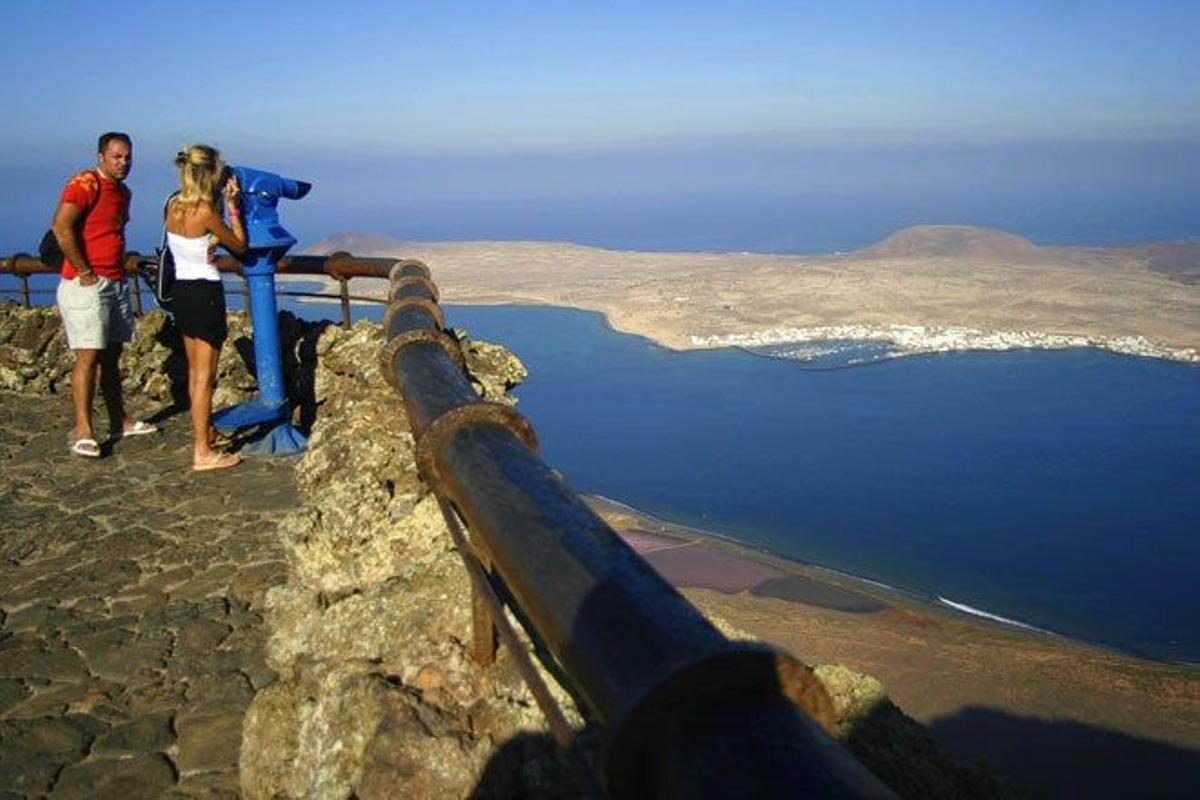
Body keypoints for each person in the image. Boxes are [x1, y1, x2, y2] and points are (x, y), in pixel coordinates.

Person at [53, 131, 158, 457]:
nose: (123, 162)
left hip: (115, 281)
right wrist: (84, 272)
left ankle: (119, 420)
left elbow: (111, 231)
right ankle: (84, 430)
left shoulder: (123, 192)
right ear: (101, 156)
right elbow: (61, 226)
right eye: (116, 156)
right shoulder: (86, 184)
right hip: (88, 284)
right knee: (88, 355)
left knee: (111, 356)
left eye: (127, 156)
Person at [166, 144, 247, 471]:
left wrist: (209, 242)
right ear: (210, 173)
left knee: (193, 371)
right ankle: (202, 451)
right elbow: (239, 246)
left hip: (182, 293)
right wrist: (232, 207)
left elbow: (191, 245)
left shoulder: (173, 206)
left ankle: (204, 432)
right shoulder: (205, 211)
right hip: (205, 293)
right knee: (205, 376)